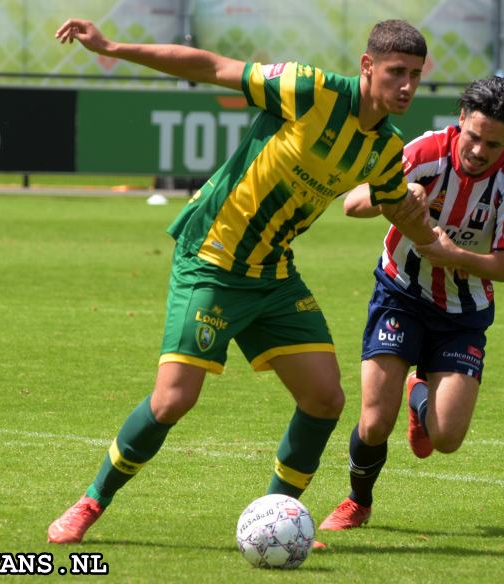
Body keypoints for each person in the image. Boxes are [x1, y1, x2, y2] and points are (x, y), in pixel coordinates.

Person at [47, 18, 438, 545]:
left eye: (416, 74)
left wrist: (420, 214)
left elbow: (393, 209)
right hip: (211, 257)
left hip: (273, 273)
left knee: (325, 398)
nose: (407, 85)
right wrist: (112, 46)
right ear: (367, 66)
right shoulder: (310, 90)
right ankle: (91, 501)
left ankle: (279, 518)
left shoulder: (387, 149)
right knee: (172, 401)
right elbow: (211, 66)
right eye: (396, 72)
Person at [318, 76, 504, 530]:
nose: (478, 150)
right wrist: (393, 196)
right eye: (474, 136)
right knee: (375, 423)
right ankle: (358, 501)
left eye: (492, 144)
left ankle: (419, 390)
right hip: (401, 292)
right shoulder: (426, 151)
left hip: (463, 312)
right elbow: (352, 203)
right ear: (460, 120)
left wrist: (454, 255)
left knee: (447, 438)